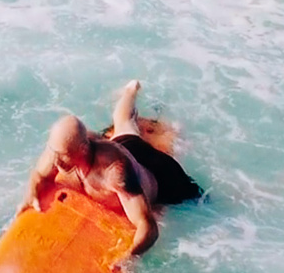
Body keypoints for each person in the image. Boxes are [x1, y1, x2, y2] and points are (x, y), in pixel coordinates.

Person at [23, 81, 203, 257]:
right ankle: (130, 90)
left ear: (83, 149)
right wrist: (31, 193)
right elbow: (39, 174)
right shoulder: (59, 148)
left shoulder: (115, 172)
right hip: (125, 151)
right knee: (123, 123)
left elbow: (147, 226)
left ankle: (180, 125)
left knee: (180, 199)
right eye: (54, 153)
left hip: (162, 176)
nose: (57, 162)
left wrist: (130, 256)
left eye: (63, 155)